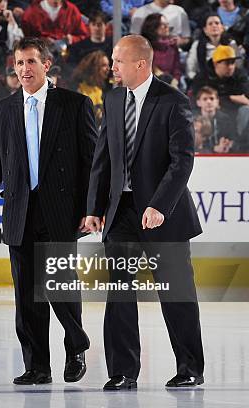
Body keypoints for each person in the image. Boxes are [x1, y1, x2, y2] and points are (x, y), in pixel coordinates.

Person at [0, 37, 97, 386]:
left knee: (59, 286)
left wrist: (91, 209)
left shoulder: (75, 104)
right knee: (26, 295)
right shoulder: (4, 109)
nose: (24, 69)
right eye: (19, 63)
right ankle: (37, 366)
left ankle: (76, 345)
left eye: (30, 62)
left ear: (47, 65)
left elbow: (92, 163)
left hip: (61, 211)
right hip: (19, 212)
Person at [85, 35, 204, 391]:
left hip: (162, 214)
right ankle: (122, 371)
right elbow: (103, 158)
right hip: (121, 213)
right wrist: (94, 207)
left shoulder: (173, 101)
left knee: (176, 291)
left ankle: (189, 368)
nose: (113, 67)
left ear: (140, 63)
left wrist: (159, 205)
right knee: (119, 291)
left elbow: (182, 161)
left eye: (118, 61)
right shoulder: (114, 98)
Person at [192, 44, 249, 135]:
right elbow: (198, 99)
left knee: (246, 109)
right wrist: (231, 98)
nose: (231, 67)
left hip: (233, 110)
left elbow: (247, 97)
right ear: (215, 63)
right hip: (210, 111)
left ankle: (240, 142)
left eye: (232, 63)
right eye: (227, 63)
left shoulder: (239, 74)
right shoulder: (203, 77)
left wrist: (221, 99)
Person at [21, 0, 89, 60]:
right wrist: (39, 41)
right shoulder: (31, 13)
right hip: (38, 57)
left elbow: (84, 35)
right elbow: (24, 41)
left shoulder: (72, 10)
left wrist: (71, 39)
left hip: (68, 57)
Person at [186, 13, 240, 82]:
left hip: (229, 81)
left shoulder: (231, 43)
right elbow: (190, 70)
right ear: (205, 30)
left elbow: (239, 66)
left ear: (222, 28)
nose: (214, 26)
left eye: (217, 23)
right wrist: (198, 81)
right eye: (210, 24)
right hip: (205, 82)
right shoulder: (197, 45)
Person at [193, 85, 240, 152]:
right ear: (198, 102)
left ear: (217, 101)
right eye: (205, 99)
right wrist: (214, 149)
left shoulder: (226, 120)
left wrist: (228, 144)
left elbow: (234, 139)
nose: (209, 102)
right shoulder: (193, 120)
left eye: (212, 98)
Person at [140, 13, 181, 87]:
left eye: (167, 24)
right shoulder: (144, 47)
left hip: (170, 84)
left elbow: (176, 68)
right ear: (153, 27)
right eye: (163, 24)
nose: (167, 27)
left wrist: (175, 80)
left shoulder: (172, 46)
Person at [72, 50, 111, 125]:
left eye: (108, 65)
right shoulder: (78, 89)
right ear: (94, 67)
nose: (108, 68)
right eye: (103, 65)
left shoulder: (100, 90)